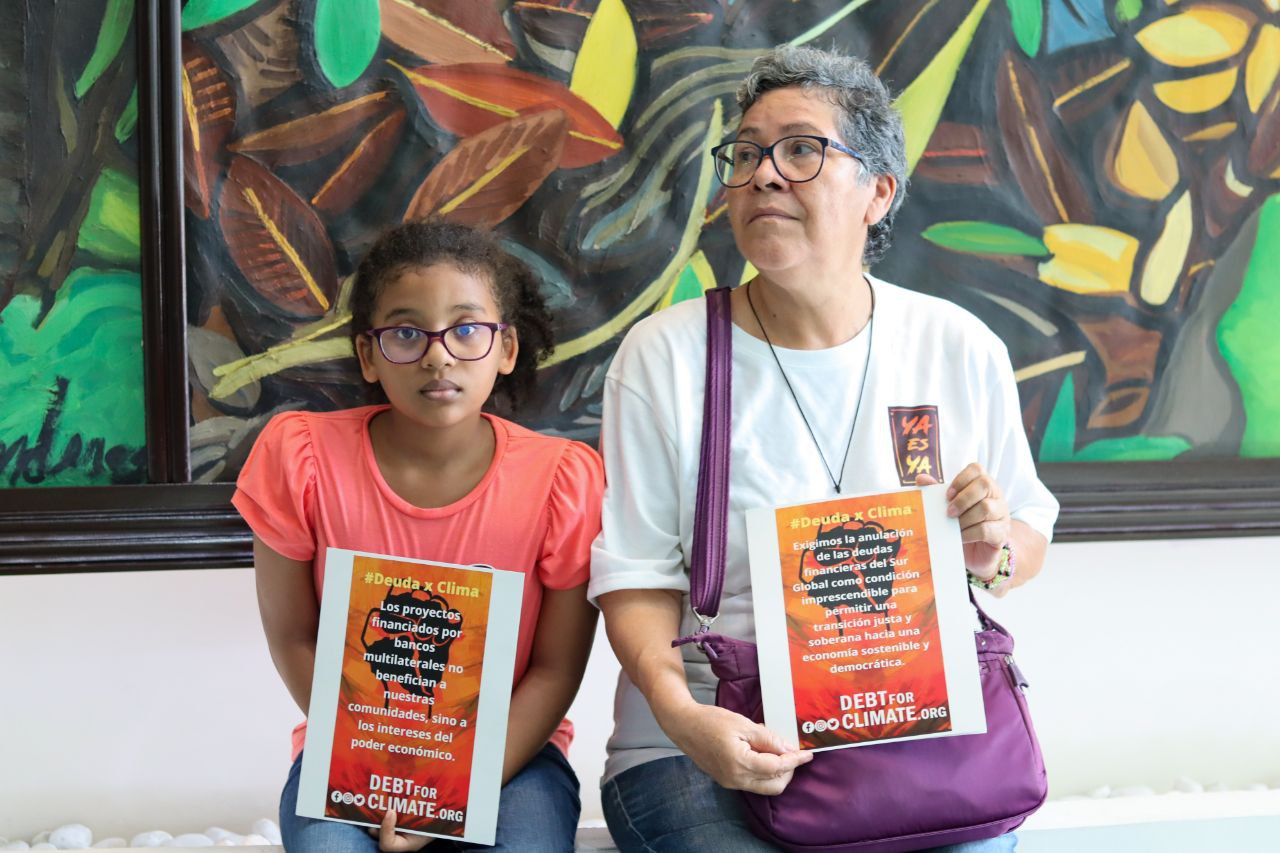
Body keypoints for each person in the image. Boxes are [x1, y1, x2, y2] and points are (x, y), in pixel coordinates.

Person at [588, 45, 1060, 852]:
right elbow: (636, 576)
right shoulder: (664, 356)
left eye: (801, 150)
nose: (764, 176)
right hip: (709, 742)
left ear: (878, 191)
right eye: (745, 155)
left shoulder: (955, 345)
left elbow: (1025, 532)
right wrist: (681, 713)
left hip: (908, 732)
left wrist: (992, 549)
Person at [233, 221, 603, 852]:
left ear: (506, 348)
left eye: (467, 330)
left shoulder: (562, 480)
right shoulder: (300, 458)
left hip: (510, 760)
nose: (438, 356)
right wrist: (375, 764)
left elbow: (555, 668)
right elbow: (294, 636)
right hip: (351, 753)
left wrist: (452, 789)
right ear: (368, 355)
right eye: (406, 333)